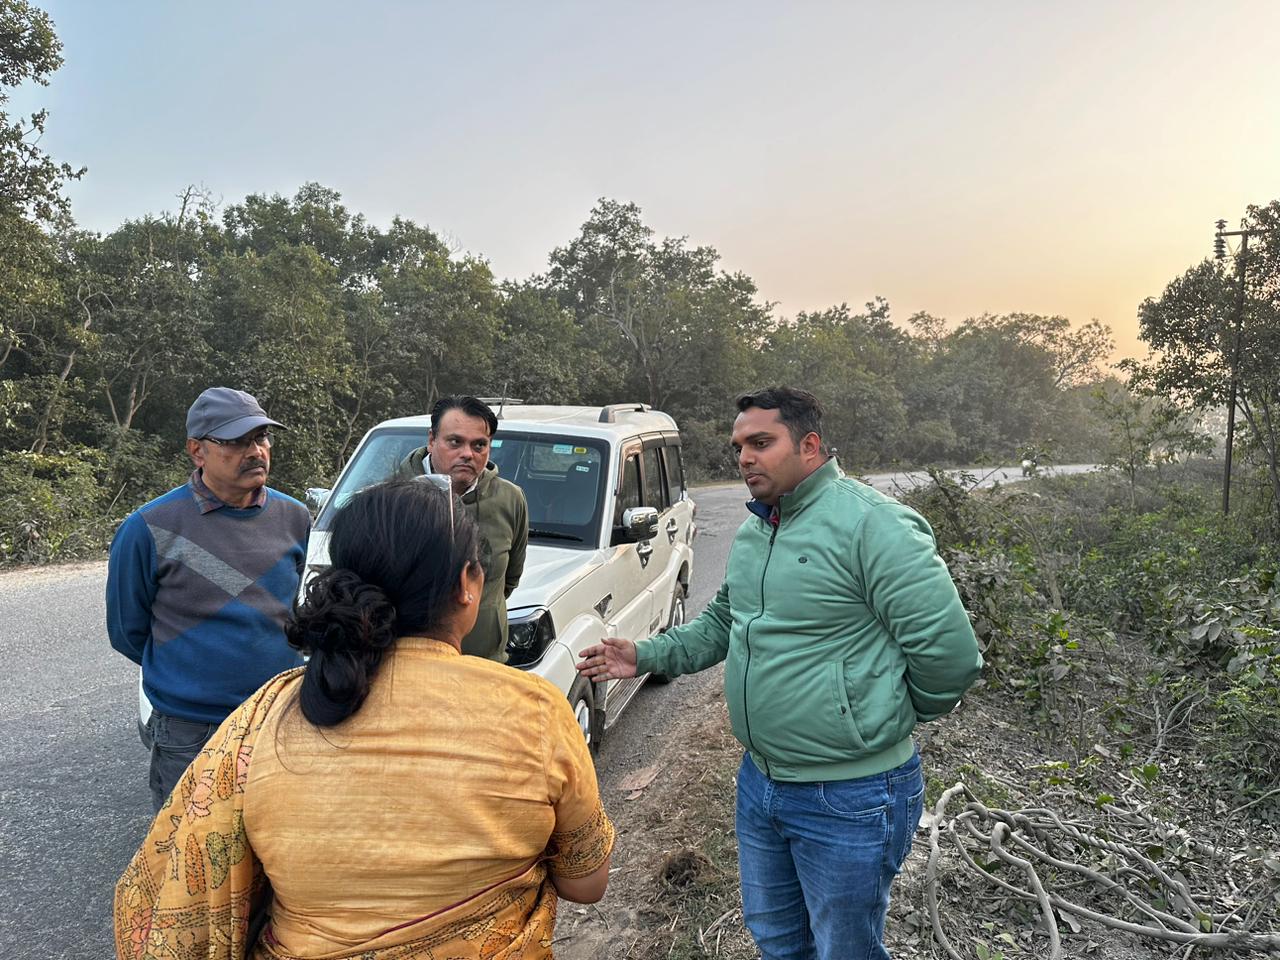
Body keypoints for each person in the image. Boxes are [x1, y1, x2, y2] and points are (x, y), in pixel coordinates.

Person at [114, 479, 614, 960]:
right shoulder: (537, 711)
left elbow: (182, 880)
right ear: (468, 584)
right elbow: (586, 883)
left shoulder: (266, 717)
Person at [577, 386, 983, 960]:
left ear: (810, 445)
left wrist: (878, 716)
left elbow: (951, 657)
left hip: (852, 795)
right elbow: (722, 623)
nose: (744, 457)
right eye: (739, 445)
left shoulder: (874, 527)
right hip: (762, 785)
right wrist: (645, 656)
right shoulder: (756, 530)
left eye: (761, 443)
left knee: (845, 950)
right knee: (778, 942)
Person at [106, 387, 310, 812]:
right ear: (197, 450)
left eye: (262, 438)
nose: (255, 451)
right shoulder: (148, 527)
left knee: (269, 846)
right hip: (188, 730)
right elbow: (128, 631)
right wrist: (189, 680)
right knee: (187, 854)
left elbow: (287, 610)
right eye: (236, 441)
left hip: (274, 717)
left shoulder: (294, 517)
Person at [394, 394, 528, 661]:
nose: (468, 454)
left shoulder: (510, 499)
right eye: (455, 442)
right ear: (432, 440)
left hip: (484, 664)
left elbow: (508, 579)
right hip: (407, 666)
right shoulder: (390, 498)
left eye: (479, 445)